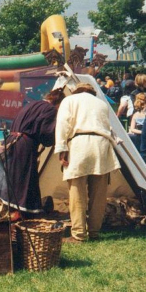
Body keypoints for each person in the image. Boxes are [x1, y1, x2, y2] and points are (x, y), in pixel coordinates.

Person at [55, 83, 121, 243]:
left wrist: (62, 148)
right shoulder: (101, 104)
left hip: (80, 144)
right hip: (101, 145)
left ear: (76, 90)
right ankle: (94, 231)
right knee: (99, 194)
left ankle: (78, 234)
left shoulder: (70, 100)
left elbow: (63, 123)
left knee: (77, 192)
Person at [0, 88, 65, 214]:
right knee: (21, 179)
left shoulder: (31, 105)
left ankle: (2, 208)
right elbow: (45, 132)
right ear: (58, 103)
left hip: (11, 141)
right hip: (23, 146)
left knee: (7, 175)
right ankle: (18, 212)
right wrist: (54, 138)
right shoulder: (49, 109)